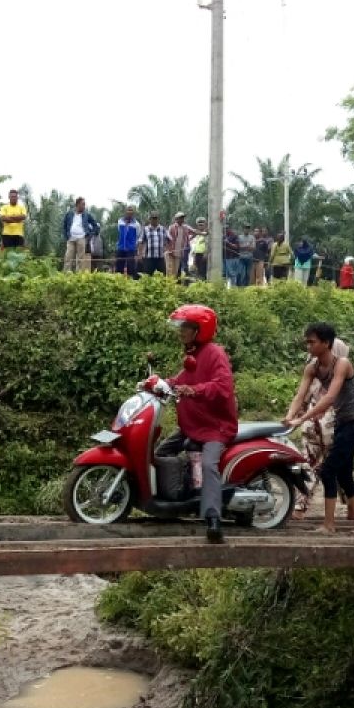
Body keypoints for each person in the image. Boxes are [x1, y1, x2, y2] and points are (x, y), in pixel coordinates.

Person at [284, 322, 354, 534]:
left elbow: (330, 397)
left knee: (329, 470)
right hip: (343, 422)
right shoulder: (312, 367)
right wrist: (288, 418)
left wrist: (302, 418)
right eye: (307, 342)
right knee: (344, 475)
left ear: (326, 343)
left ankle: (329, 525)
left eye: (312, 342)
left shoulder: (342, 364)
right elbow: (300, 395)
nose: (308, 346)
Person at [161, 305, 238, 543]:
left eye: (185, 327)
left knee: (208, 465)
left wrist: (194, 390)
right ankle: (178, 498)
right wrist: (159, 383)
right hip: (192, 424)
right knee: (161, 451)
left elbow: (223, 387)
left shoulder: (215, 353)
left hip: (215, 427)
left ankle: (213, 518)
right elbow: (181, 379)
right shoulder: (193, 354)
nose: (181, 332)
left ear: (199, 330)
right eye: (181, 327)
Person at [62, 197, 99, 272]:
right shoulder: (69, 214)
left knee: (80, 259)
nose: (84, 206)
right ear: (77, 205)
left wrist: (90, 234)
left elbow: (95, 225)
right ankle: (66, 275)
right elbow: (64, 225)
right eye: (83, 204)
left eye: (84, 204)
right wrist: (66, 236)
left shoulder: (87, 215)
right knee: (68, 257)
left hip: (81, 238)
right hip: (71, 238)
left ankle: (78, 276)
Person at [115, 205, 142, 278]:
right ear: (125, 212)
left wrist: (137, 249)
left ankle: (132, 283)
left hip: (131, 249)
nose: (129, 212)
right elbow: (119, 232)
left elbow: (139, 236)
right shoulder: (120, 221)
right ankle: (118, 281)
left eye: (131, 210)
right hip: (120, 248)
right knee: (119, 267)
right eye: (128, 210)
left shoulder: (137, 224)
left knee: (131, 268)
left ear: (133, 213)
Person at [165, 211, 194, 279]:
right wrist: (168, 249)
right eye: (180, 218)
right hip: (171, 252)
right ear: (176, 219)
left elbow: (194, 231)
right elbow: (167, 239)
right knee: (169, 270)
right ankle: (168, 285)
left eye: (183, 218)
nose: (182, 219)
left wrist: (203, 233)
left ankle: (173, 285)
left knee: (176, 270)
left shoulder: (186, 227)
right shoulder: (171, 227)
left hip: (179, 253)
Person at [141, 212, 166, 276]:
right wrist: (140, 254)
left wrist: (167, 249)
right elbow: (141, 241)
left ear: (158, 219)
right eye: (153, 218)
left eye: (156, 218)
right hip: (149, 258)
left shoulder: (163, 229)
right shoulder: (145, 229)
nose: (154, 220)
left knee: (162, 277)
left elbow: (169, 239)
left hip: (160, 257)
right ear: (150, 219)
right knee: (147, 277)